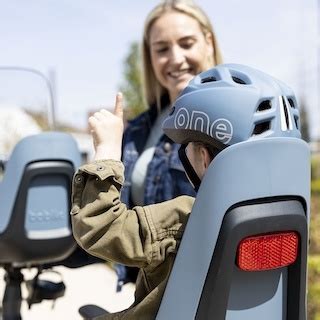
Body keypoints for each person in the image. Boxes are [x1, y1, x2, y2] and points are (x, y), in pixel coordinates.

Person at [71, 64, 302, 319]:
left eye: (187, 146)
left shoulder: (187, 219)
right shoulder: (290, 217)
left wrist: (107, 149)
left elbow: (98, 228)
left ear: (203, 158)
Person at [119, 0, 223, 288]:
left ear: (208, 42)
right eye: (162, 49)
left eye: (186, 43)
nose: (176, 59)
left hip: (207, 292)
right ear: (150, 57)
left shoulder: (235, 118)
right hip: (148, 295)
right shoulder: (139, 128)